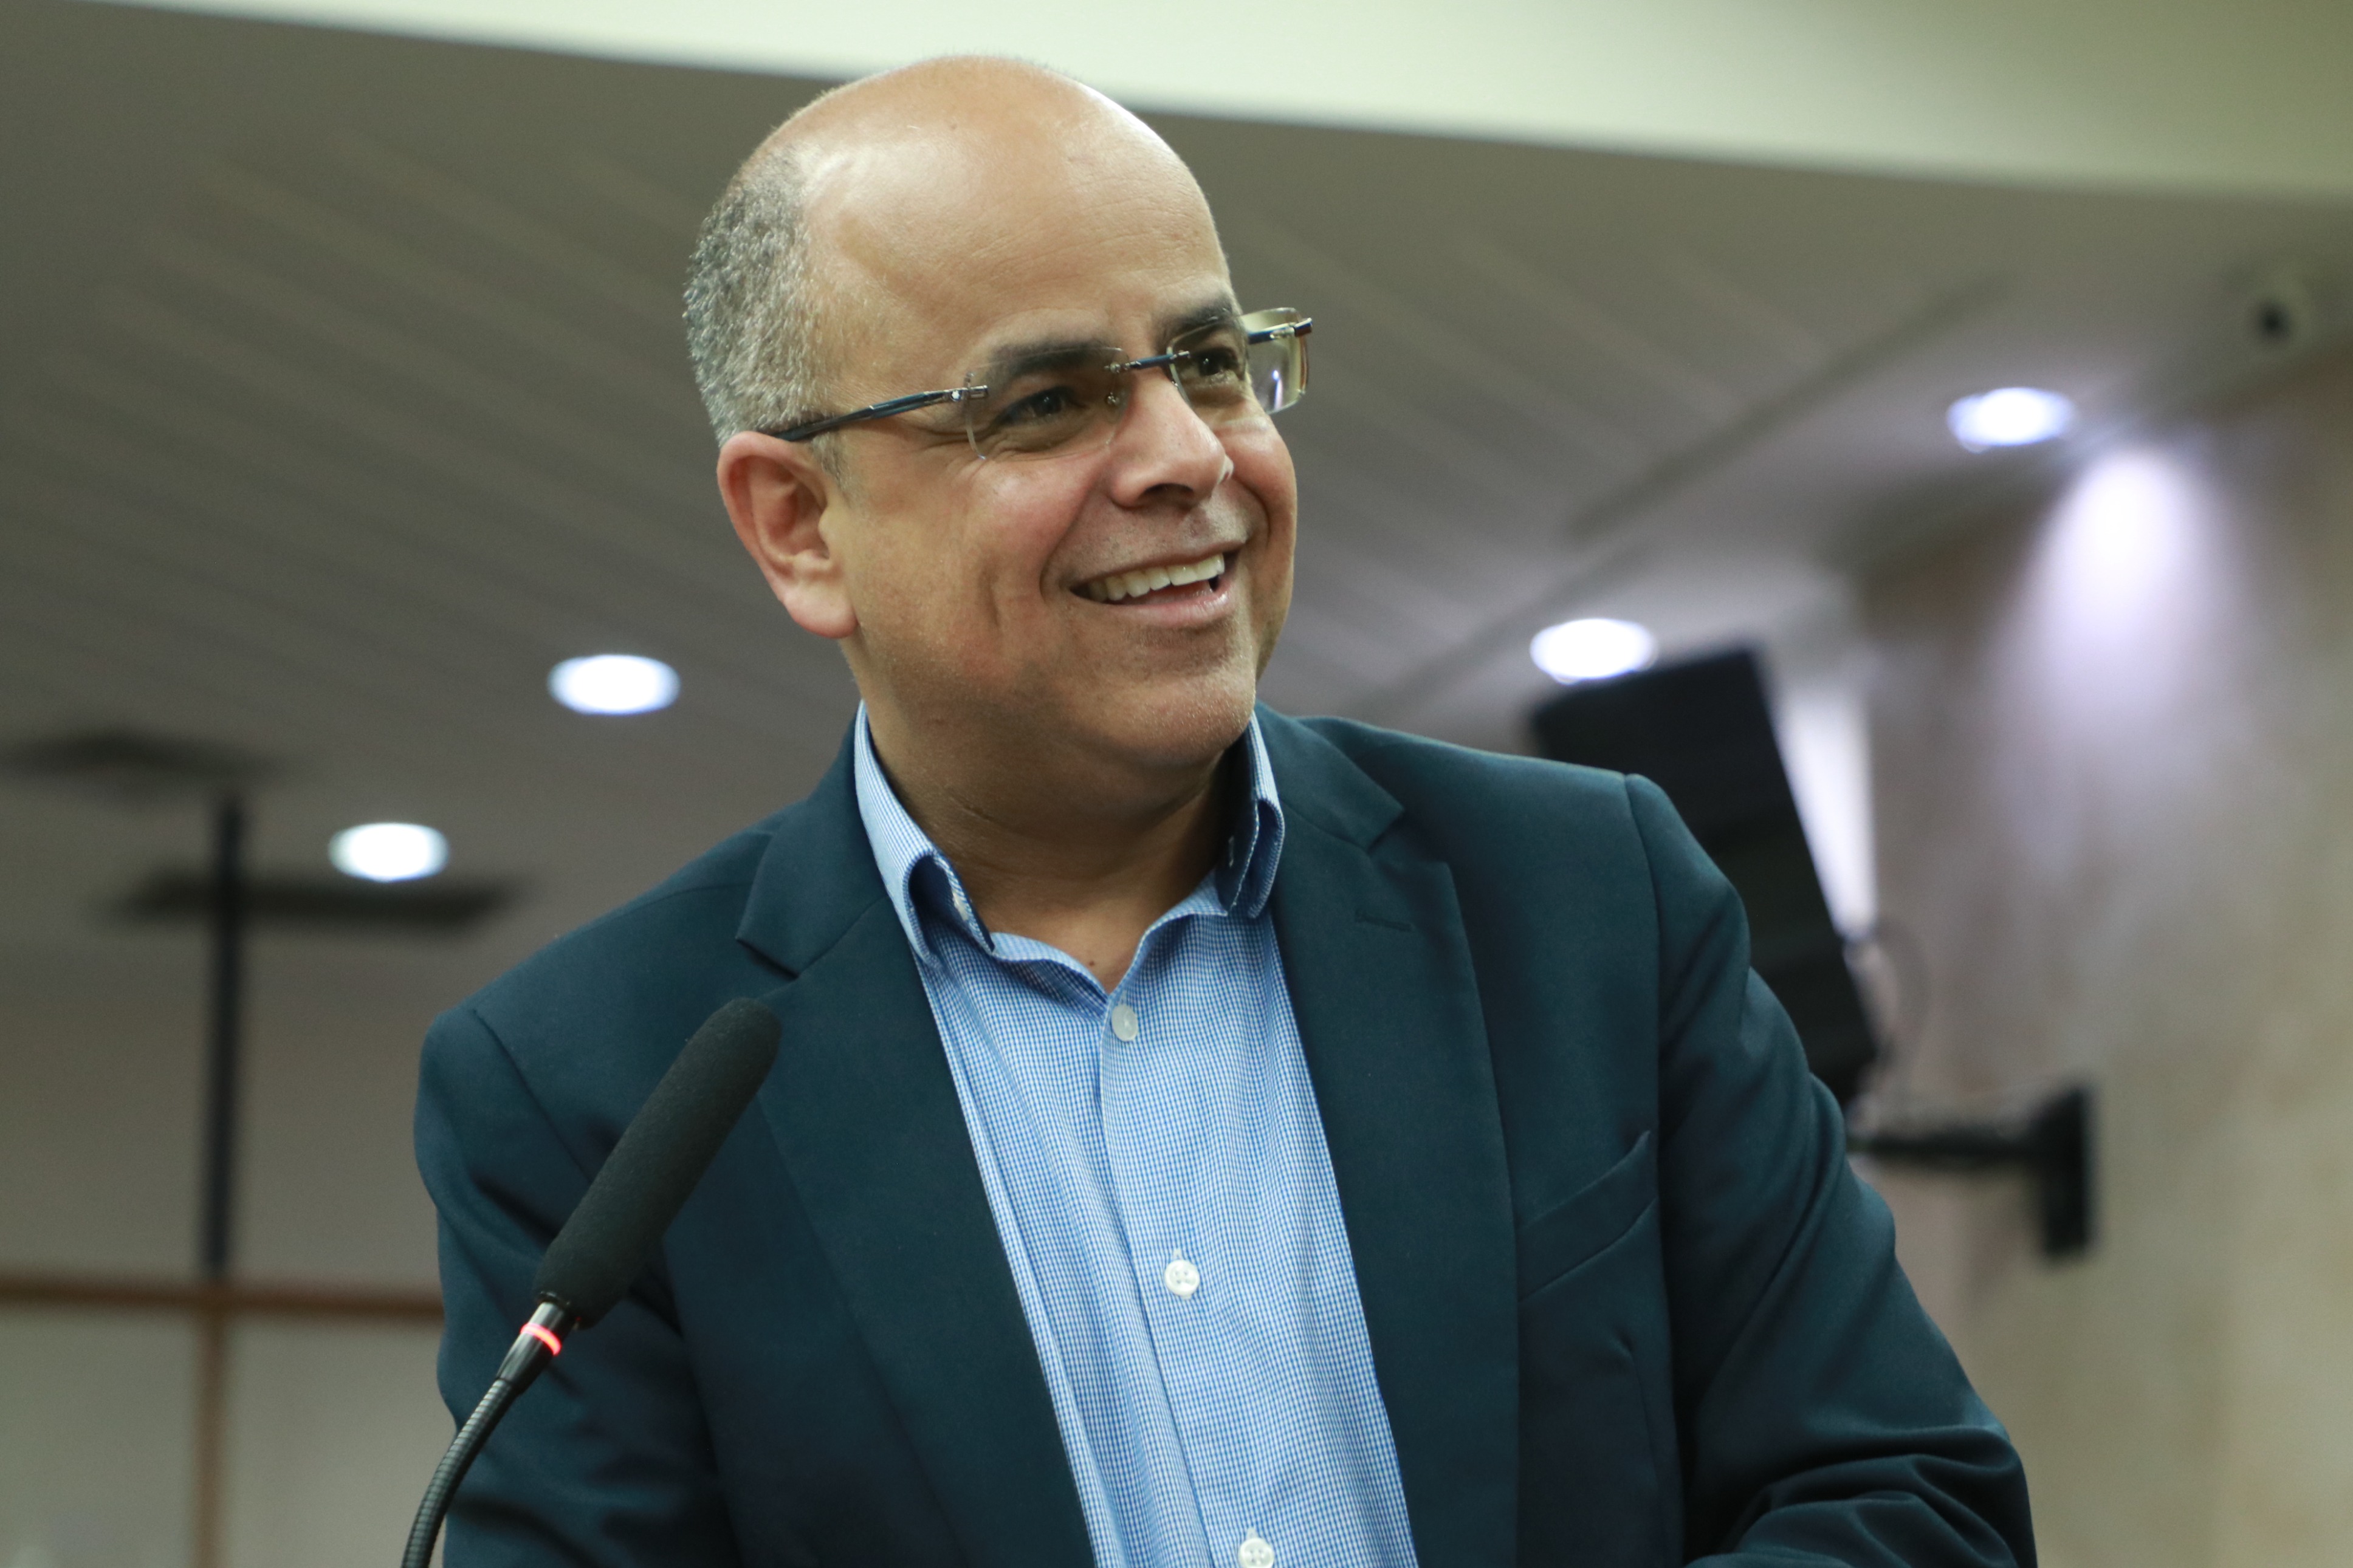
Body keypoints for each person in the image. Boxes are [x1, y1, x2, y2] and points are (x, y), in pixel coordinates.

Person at [417, 56, 2033, 1568]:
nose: (1190, 456)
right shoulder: (592, 1090)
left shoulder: (1587, 901)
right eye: (1046, 402)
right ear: (799, 524)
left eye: (1207, 362)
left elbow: (1911, 1501)